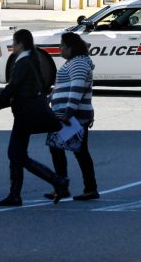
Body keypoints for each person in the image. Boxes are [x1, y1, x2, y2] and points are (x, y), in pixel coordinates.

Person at [0, 29, 69, 207]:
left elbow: (12, 88)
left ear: (20, 44)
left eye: (14, 42)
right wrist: (0, 104)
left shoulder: (23, 62)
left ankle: (56, 182)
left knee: (16, 154)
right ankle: (18, 194)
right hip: (28, 112)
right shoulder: (31, 59)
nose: (12, 46)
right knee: (16, 155)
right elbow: (25, 90)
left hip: (26, 115)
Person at [45, 32, 99, 201]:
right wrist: (49, 99)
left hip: (72, 116)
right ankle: (64, 186)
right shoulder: (73, 62)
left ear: (71, 48)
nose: (59, 49)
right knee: (59, 149)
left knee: (78, 151)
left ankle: (86, 188)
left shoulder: (79, 63)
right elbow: (62, 86)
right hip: (65, 115)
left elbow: (77, 88)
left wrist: (68, 113)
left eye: (62, 46)